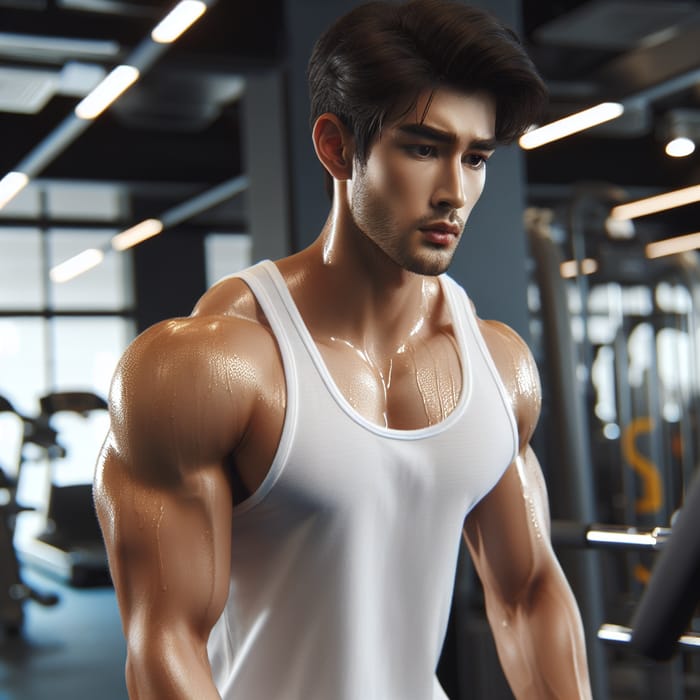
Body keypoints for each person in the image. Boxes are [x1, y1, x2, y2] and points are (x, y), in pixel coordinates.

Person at [94, 1, 593, 698]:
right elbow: (165, 643)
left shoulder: (498, 367)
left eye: (475, 157)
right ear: (336, 147)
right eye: (423, 147)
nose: (455, 191)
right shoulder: (208, 369)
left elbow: (529, 594)